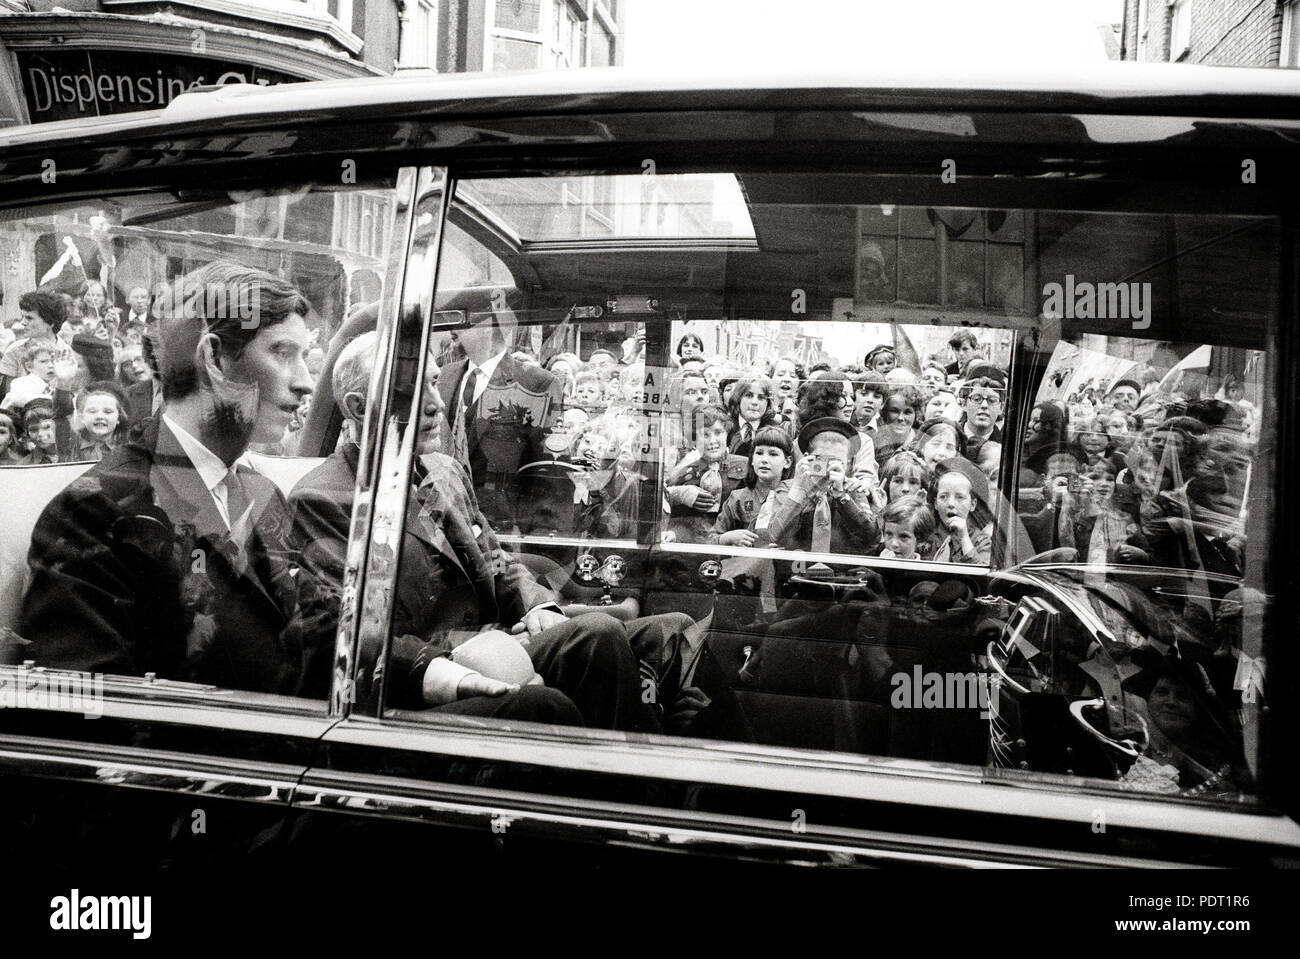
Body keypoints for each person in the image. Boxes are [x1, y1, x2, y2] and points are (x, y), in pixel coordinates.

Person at [289, 331, 666, 731]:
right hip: (439, 668)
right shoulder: (323, 499)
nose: (436, 405)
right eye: (414, 391)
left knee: (666, 632)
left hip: (502, 639)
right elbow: (347, 635)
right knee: (599, 635)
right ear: (359, 408)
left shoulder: (442, 469)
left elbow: (495, 559)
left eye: (434, 383)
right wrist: (467, 663)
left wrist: (537, 606)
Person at [18, 262, 341, 697]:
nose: (305, 382)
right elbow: (84, 709)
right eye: (283, 353)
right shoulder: (96, 512)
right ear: (213, 358)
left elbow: (322, 629)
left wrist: (436, 672)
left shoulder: (258, 491)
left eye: (303, 356)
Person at [436, 288, 564, 530]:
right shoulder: (444, 377)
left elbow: (549, 476)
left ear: (488, 326)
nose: (452, 330)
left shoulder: (537, 384)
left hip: (500, 535)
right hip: (440, 529)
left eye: (463, 320)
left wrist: (536, 541)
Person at [761, 417, 881, 556]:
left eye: (836, 461)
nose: (828, 467)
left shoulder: (853, 489)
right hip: (797, 569)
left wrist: (841, 496)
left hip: (842, 572)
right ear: (806, 457)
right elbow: (774, 535)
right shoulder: (789, 488)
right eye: (820, 459)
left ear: (847, 464)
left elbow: (872, 538)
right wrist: (798, 491)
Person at [664, 404, 746, 544]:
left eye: (718, 432)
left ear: (727, 434)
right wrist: (674, 534)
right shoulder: (682, 475)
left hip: (736, 544)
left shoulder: (746, 466)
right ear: (694, 441)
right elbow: (679, 522)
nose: (712, 441)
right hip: (698, 546)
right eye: (705, 435)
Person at [708, 425, 794, 547]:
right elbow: (710, 540)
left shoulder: (795, 498)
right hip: (745, 563)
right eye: (759, 453)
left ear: (787, 462)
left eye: (773, 454)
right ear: (752, 459)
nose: (764, 459)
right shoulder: (738, 498)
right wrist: (728, 538)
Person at [67, 381, 129, 462]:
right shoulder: (72, 446)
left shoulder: (129, 447)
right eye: (92, 411)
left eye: (108, 412)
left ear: (119, 418)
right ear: (81, 417)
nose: (99, 416)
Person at [878, 493, 936, 561]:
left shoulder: (927, 570)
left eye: (903, 537)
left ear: (920, 539)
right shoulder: (871, 568)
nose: (894, 544)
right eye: (889, 534)